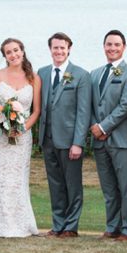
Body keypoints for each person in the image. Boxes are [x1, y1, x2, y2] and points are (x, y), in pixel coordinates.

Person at [0, 38, 41, 238]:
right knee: (1, 177)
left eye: (16, 50)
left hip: (22, 138)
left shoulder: (34, 78)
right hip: (0, 136)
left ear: (23, 51)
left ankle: (20, 223)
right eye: (9, 52)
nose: (13, 55)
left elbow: (36, 111)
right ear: (4, 56)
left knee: (18, 179)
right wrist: (1, 122)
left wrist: (22, 128)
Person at [37, 32, 91, 238]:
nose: (59, 51)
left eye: (62, 47)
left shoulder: (81, 75)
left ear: (69, 49)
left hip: (70, 141)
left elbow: (83, 112)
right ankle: (57, 224)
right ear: (50, 49)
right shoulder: (41, 73)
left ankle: (71, 226)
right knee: (55, 184)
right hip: (47, 138)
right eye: (55, 47)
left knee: (73, 185)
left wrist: (78, 142)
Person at [90, 30, 127, 242]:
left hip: (122, 140)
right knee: (109, 188)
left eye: (117, 45)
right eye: (109, 44)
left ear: (124, 47)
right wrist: (94, 125)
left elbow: (126, 105)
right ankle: (112, 226)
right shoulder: (94, 74)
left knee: (126, 187)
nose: (112, 48)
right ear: (104, 47)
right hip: (99, 141)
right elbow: (89, 104)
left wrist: (103, 127)